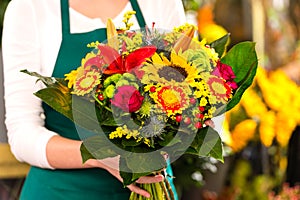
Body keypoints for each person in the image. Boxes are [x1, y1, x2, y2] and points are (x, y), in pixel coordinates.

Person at [1, 0, 186, 199]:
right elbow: (22, 134)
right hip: (61, 191)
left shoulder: (161, 3)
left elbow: (190, 89)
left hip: (153, 188)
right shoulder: (30, 8)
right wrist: (100, 154)